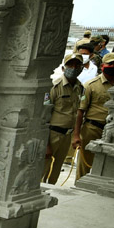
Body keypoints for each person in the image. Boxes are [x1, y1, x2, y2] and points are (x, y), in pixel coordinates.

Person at [72, 51, 114, 179]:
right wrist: (76, 135)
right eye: (110, 64)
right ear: (103, 66)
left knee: (108, 163)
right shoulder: (90, 86)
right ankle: (80, 185)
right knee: (86, 162)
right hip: (92, 129)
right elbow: (80, 111)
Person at [43, 54, 85, 184]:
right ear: (63, 68)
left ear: (82, 68)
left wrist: (76, 135)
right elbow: (43, 116)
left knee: (56, 170)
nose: (73, 68)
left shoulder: (80, 87)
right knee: (44, 169)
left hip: (67, 135)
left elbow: (79, 111)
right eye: (70, 65)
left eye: (77, 65)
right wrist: (46, 144)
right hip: (52, 134)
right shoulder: (54, 87)